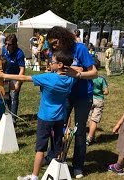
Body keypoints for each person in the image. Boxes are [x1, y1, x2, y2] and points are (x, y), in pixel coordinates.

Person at [0, 50, 75, 180]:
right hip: (60, 117)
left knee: (40, 148)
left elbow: (24, 78)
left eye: (53, 61)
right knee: (57, 146)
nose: (50, 62)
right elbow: (76, 69)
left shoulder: (48, 78)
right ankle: (56, 172)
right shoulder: (71, 79)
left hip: (45, 118)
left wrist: (4, 75)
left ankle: (34, 177)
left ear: (60, 65)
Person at [45, 26, 98, 179]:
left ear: (62, 38)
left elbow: (94, 73)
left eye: (55, 43)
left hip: (83, 95)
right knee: (58, 126)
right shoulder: (56, 52)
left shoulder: (80, 48)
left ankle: (78, 166)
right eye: (51, 44)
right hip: (64, 95)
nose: (53, 47)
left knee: (79, 130)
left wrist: (78, 73)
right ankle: (53, 158)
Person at [1, 34, 25, 124]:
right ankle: (9, 112)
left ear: (14, 44)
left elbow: (22, 69)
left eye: (9, 44)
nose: (7, 46)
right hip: (6, 76)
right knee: (6, 96)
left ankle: (13, 119)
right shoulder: (3, 50)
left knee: (14, 96)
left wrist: (18, 83)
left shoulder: (19, 53)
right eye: (6, 43)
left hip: (16, 76)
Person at [86, 60, 109, 145]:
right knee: (95, 120)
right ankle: (90, 138)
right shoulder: (101, 79)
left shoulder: (88, 78)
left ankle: (92, 136)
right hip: (99, 100)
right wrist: (100, 92)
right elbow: (106, 91)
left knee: (90, 118)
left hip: (89, 99)